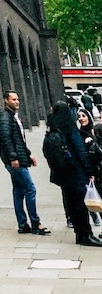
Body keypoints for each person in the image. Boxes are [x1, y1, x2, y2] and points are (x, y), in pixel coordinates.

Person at [43, 101, 101, 248]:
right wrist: (90, 172)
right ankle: (86, 235)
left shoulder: (53, 128)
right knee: (80, 205)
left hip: (64, 174)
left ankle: (79, 234)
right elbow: (81, 152)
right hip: (76, 172)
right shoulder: (70, 128)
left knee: (72, 205)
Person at [0, 90, 50, 235]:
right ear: (6, 100)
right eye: (13, 99)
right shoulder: (5, 118)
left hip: (19, 158)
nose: (17, 101)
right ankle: (35, 222)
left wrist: (28, 154)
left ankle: (22, 224)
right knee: (30, 189)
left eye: (17, 99)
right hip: (15, 161)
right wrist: (13, 158)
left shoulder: (12, 116)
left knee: (19, 190)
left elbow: (19, 140)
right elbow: (6, 139)